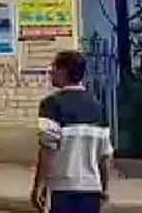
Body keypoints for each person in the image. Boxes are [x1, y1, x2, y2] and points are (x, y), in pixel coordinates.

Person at [32, 51, 114, 213]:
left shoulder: (51, 104)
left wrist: (39, 186)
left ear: (63, 71)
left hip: (61, 189)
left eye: (54, 68)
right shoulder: (97, 107)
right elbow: (105, 156)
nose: (51, 73)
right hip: (91, 189)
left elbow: (48, 149)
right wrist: (104, 189)